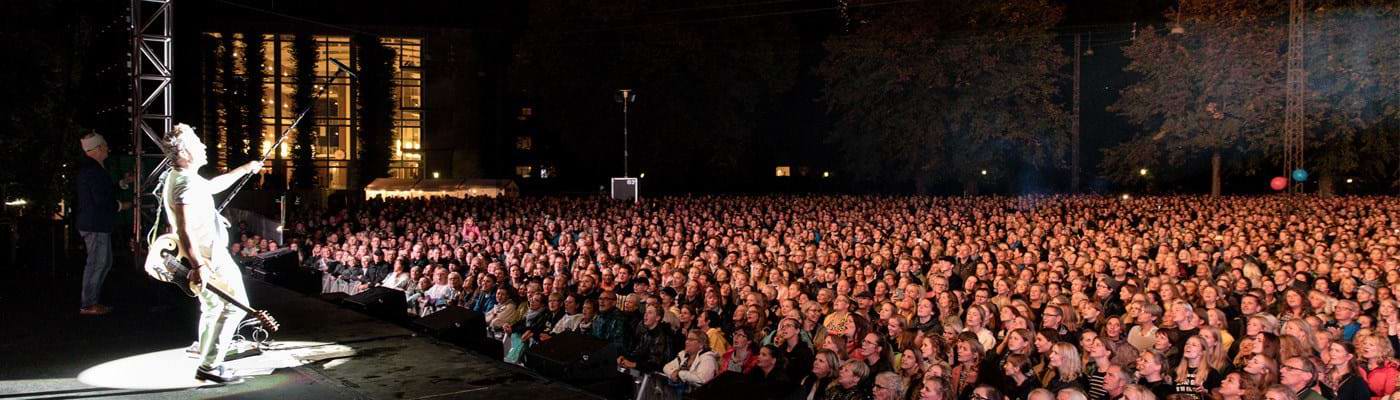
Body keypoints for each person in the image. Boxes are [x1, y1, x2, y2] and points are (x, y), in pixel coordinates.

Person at [159, 124, 262, 383]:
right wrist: (199, 265)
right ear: (185, 152)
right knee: (235, 307)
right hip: (209, 258)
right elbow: (183, 228)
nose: (204, 146)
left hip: (204, 256)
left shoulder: (182, 176)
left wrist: (245, 169)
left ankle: (206, 356)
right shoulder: (184, 183)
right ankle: (210, 365)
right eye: (197, 142)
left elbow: (213, 186)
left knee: (213, 306)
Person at [76, 132, 127, 316]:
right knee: (98, 263)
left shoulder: (91, 168)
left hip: (94, 224)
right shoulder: (94, 170)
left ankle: (91, 302)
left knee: (103, 263)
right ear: (97, 148)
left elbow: (102, 193)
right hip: (95, 225)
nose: (107, 148)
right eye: (104, 145)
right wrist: (120, 205)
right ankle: (88, 304)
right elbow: (102, 199)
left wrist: (121, 183)